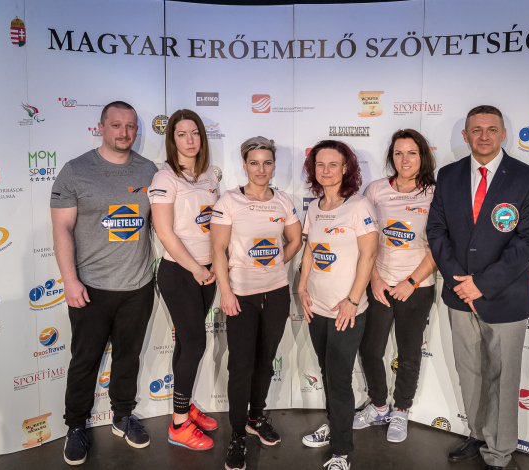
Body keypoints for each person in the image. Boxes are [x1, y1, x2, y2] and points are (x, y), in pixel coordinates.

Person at [426, 105, 529, 470]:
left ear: (503, 134)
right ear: (465, 135)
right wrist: (459, 281)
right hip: (459, 295)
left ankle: (499, 451)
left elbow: (528, 241)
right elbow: (436, 231)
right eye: (476, 130)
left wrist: (482, 284)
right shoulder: (448, 175)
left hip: (505, 296)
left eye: (491, 129)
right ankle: (478, 434)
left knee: (503, 377)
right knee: (470, 371)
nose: (483, 136)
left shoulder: (528, 179)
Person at [50, 101, 159, 465]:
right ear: (101, 127)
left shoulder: (149, 171)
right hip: (90, 288)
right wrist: (70, 281)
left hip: (138, 287)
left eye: (130, 126)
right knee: (84, 360)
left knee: (128, 357)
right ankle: (76, 426)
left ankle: (122, 416)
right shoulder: (76, 171)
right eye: (116, 125)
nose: (124, 133)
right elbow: (62, 229)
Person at [210, 137, 302, 470]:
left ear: (274, 165)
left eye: (267, 163)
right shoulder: (229, 200)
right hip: (240, 296)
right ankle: (237, 434)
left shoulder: (283, 200)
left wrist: (275, 263)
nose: (261, 169)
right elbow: (217, 249)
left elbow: (295, 240)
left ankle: (256, 417)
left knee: (265, 361)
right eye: (254, 163)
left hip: (276, 293)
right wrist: (226, 291)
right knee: (241, 367)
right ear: (245, 165)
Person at [298, 140, 378, 470]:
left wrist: (353, 300)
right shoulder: (315, 207)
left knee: (339, 379)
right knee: (327, 374)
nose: (326, 170)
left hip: (346, 309)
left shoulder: (359, 206)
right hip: (316, 306)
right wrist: (301, 286)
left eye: (333, 164)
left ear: (346, 168)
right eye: (320, 164)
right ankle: (334, 425)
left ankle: (341, 452)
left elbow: (369, 255)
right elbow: (310, 250)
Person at [354, 129, 438, 442]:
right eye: (398, 153)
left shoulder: (435, 193)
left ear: (422, 156)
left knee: (409, 352)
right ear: (391, 157)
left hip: (417, 287)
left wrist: (412, 282)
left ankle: (401, 410)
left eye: (412, 153)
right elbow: (364, 239)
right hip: (378, 284)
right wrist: (374, 279)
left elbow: (441, 246)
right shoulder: (375, 190)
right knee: (370, 349)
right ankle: (379, 406)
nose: (405, 159)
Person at [148, 109, 219, 450]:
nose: (190, 140)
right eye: (181, 134)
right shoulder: (165, 178)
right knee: (194, 345)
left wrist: (215, 265)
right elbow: (165, 233)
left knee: (186, 343)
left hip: (207, 272)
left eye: (195, 133)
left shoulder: (209, 175)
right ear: (171, 139)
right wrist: (196, 269)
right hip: (180, 273)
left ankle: (185, 407)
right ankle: (178, 426)